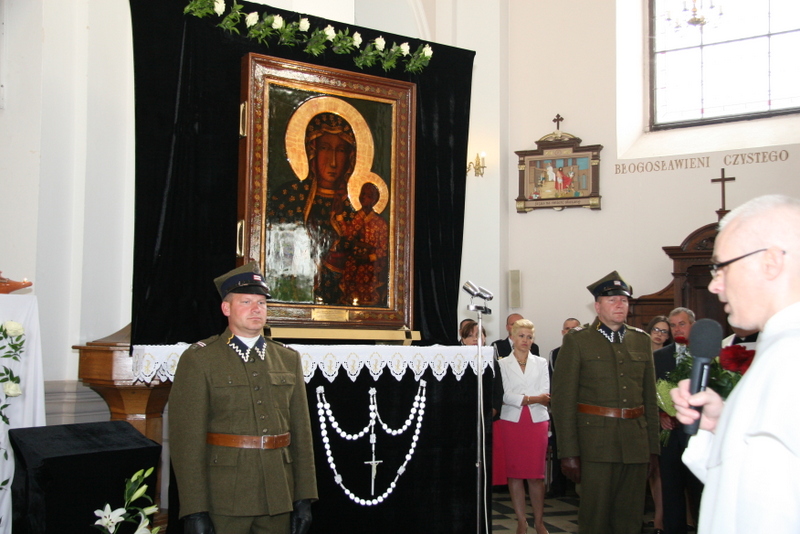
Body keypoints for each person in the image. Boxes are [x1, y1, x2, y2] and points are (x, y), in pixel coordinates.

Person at [671, 194, 800, 533]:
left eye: (722, 267)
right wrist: (722, 424)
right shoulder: (780, 350)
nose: (715, 285)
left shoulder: (792, 360)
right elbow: (743, 487)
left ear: (771, 262)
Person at [169, 262, 318, 534]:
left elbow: (302, 434)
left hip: (278, 494)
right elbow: (186, 442)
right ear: (226, 308)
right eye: (246, 302)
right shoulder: (200, 359)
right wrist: (194, 509)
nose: (256, 309)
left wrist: (303, 498)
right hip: (225, 496)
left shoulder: (287, 358)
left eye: (261, 303)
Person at [551, 271, 660, 534]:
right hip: (595, 446)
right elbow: (563, 401)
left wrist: (652, 448)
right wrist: (568, 452)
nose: (620, 304)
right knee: (595, 519)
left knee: (630, 520)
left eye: (624, 299)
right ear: (597, 307)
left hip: (635, 444)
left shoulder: (641, 340)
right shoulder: (578, 341)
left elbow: (649, 398)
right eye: (612, 300)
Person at [268, 112, 359, 305]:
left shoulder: (354, 208)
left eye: (341, 150)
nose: (333, 161)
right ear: (311, 151)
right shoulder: (289, 197)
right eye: (325, 148)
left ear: (350, 156)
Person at [495, 319, 551, 534]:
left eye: (529, 337)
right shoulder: (502, 364)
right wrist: (531, 398)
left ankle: (539, 521)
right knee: (515, 474)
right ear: (512, 337)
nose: (525, 340)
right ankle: (521, 521)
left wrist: (526, 399)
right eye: (521, 336)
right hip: (512, 422)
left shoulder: (541, 362)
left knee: (536, 475)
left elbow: (545, 394)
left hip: (536, 422)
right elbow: (505, 396)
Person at [653, 308, 702, 534]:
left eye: (682, 324)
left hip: (698, 434)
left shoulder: (706, 354)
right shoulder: (659, 357)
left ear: (693, 325)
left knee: (699, 490)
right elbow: (649, 393)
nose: (677, 329)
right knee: (671, 491)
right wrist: (661, 414)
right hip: (670, 435)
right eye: (673, 325)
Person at [338, 181, 389, 306]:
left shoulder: (380, 223)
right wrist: (339, 217)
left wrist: (369, 257)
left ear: (374, 200)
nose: (364, 198)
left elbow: (384, 249)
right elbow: (348, 235)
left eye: (369, 196)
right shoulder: (356, 218)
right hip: (355, 261)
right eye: (363, 194)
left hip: (372, 264)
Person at [545, 318, 581, 498]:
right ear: (562, 332)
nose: (570, 331)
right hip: (561, 409)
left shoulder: (586, 350)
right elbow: (553, 382)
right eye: (567, 328)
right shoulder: (555, 354)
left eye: (574, 328)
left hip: (582, 409)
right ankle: (558, 485)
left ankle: (577, 485)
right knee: (560, 446)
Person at [644, 314, 671, 534]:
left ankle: (660, 517)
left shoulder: (670, 358)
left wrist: (665, 412)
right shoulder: (641, 354)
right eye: (656, 330)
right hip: (642, 418)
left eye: (664, 332)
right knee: (648, 470)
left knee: (662, 470)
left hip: (666, 418)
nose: (659, 334)